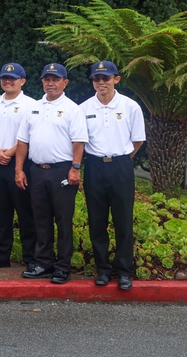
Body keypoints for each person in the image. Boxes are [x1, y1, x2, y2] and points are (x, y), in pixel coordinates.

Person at [15, 63, 88, 284]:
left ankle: (62, 267)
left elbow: (79, 142)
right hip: (37, 171)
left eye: (55, 79)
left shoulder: (73, 109)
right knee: (41, 219)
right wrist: (19, 169)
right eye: (47, 79)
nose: (50, 83)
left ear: (65, 83)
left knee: (63, 221)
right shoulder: (33, 107)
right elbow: (22, 141)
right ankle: (43, 263)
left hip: (62, 172)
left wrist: (75, 168)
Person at [80, 60, 145, 291]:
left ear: (116, 79)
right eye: (97, 79)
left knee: (123, 222)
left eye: (106, 78)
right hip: (95, 167)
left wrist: (122, 159)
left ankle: (125, 271)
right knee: (97, 222)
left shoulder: (130, 106)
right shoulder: (84, 108)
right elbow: (80, 140)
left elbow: (137, 140)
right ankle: (103, 270)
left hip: (120, 166)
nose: (101, 83)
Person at [0, 62, 38, 271]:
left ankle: (30, 258)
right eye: (4, 78)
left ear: (22, 81)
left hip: (20, 163)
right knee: (1, 213)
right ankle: (1, 255)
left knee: (25, 213)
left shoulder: (31, 105)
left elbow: (30, 135)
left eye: (12, 79)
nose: (7, 81)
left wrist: (11, 152)